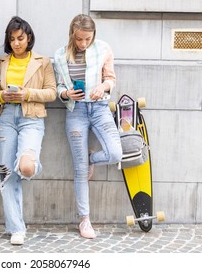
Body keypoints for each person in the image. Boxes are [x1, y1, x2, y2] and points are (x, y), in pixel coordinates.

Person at [54, 14, 122, 239]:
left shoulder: (103, 49)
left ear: (94, 35)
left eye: (87, 39)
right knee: (79, 169)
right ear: (72, 35)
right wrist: (66, 93)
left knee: (115, 153)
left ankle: (91, 158)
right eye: (79, 39)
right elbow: (59, 87)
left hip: (100, 108)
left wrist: (102, 87)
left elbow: (111, 79)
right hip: (76, 112)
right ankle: (85, 220)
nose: (83, 43)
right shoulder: (60, 55)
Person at [0, 16, 57, 245]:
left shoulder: (43, 61)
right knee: (7, 175)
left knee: (26, 167)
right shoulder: (0, 61)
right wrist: (3, 96)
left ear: (28, 37)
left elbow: (51, 93)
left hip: (32, 117)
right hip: (6, 117)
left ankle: (27, 165)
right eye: (12, 39)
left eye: (20, 38)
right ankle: (16, 228)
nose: (17, 43)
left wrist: (26, 93)